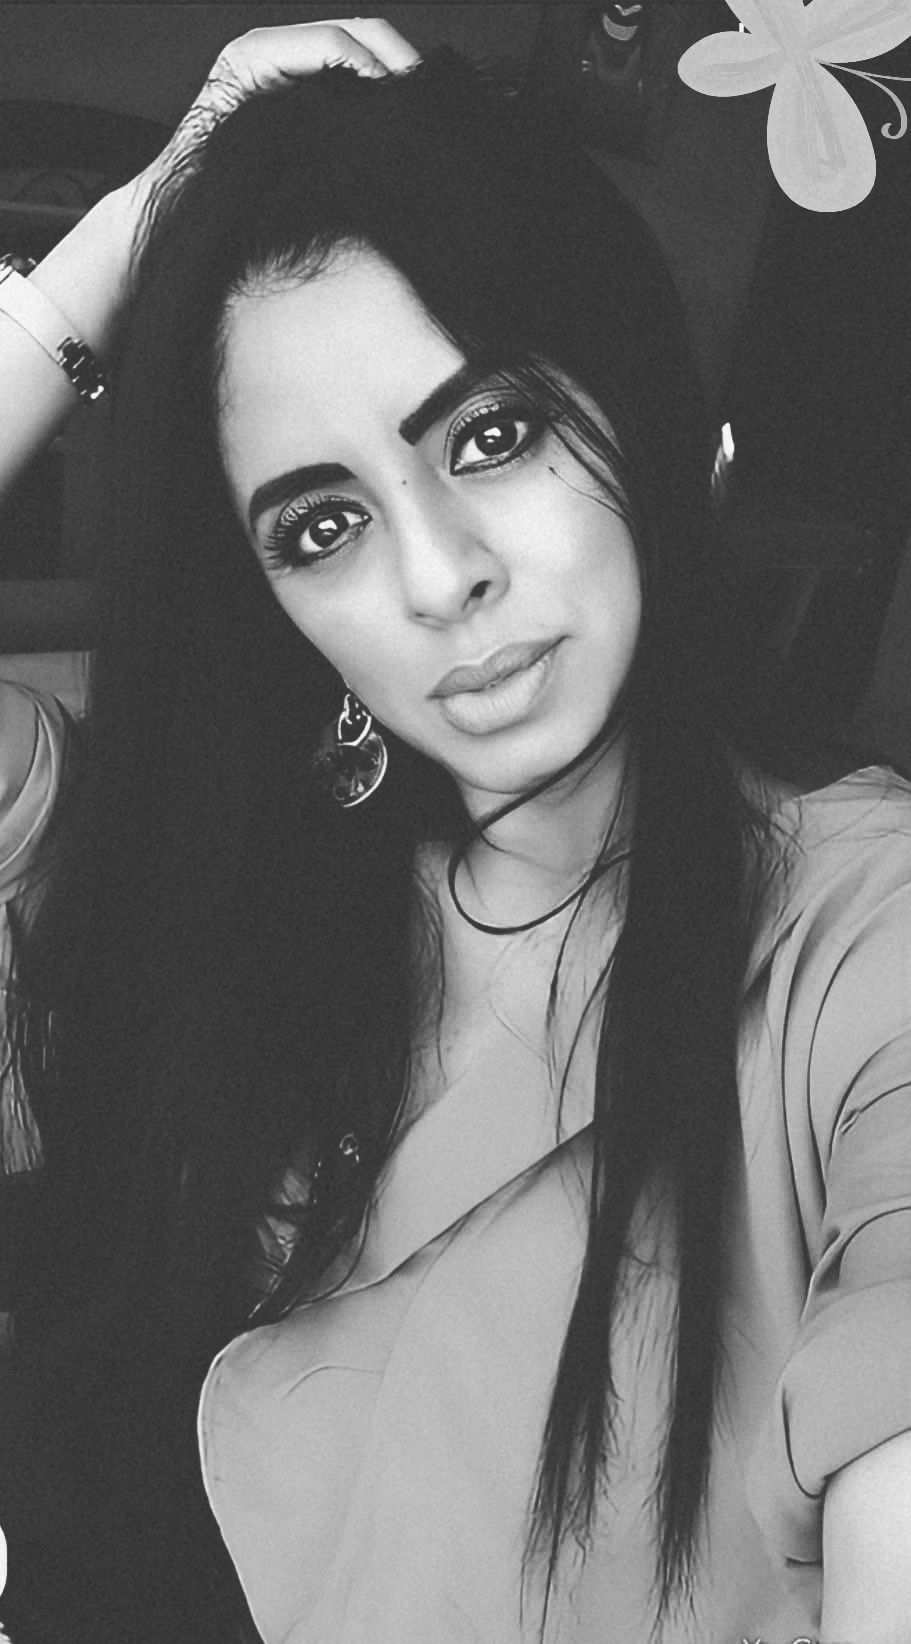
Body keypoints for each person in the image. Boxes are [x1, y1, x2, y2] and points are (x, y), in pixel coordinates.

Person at [0, 16, 910, 1644]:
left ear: (656, 416)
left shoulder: (862, 947)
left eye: (493, 434)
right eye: (322, 524)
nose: (437, 578)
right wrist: (110, 259)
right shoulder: (212, 868)